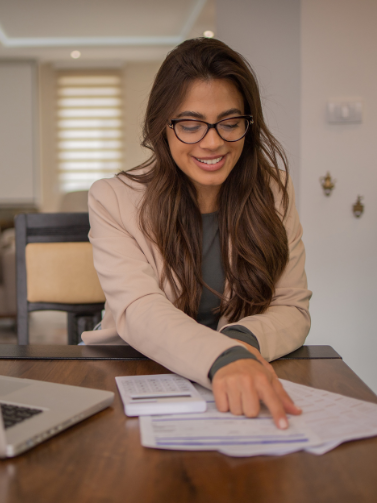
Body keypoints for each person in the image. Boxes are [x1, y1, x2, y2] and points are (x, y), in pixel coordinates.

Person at [82, 38, 311, 430]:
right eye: (190, 124)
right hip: (143, 373)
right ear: (162, 127)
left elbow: (292, 307)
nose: (213, 141)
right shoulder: (113, 199)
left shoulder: (275, 190)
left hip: (243, 376)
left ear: (248, 124)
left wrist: (240, 341)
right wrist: (223, 357)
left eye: (230, 122)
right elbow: (138, 310)